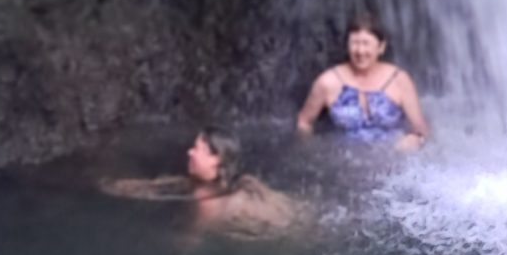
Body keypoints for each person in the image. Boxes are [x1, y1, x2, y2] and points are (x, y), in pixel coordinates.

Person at [103, 130, 300, 232]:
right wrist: (121, 187)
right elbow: (163, 185)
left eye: (197, 149)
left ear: (216, 159)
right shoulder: (230, 185)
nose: (189, 152)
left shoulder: (208, 202)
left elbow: (190, 242)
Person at [295, 17, 429, 148]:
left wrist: (416, 140)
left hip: (392, 156)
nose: (360, 51)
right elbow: (304, 122)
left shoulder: (399, 80)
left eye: (366, 43)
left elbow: (421, 130)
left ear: (381, 47)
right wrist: (310, 150)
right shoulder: (328, 82)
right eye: (355, 43)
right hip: (344, 157)